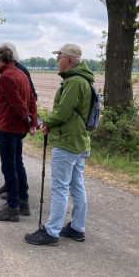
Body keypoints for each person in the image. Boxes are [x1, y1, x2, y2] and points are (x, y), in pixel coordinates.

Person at [25, 44, 93, 246]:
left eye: (59, 57)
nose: (57, 60)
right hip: (79, 141)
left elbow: (63, 112)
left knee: (60, 188)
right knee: (76, 186)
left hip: (67, 142)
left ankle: (51, 231)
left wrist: (46, 122)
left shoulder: (74, 82)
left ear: (69, 60)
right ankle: (77, 227)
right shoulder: (85, 80)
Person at [0, 46, 38, 223]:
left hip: (9, 127)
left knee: (9, 167)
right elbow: (32, 99)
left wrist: (28, 119)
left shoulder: (7, 77)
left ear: (2, 59)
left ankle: (12, 207)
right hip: (19, 128)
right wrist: (32, 122)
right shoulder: (21, 73)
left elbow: (17, 103)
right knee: (18, 164)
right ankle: (22, 201)